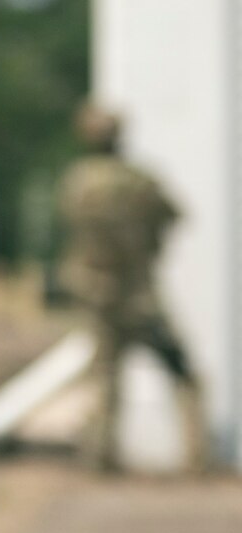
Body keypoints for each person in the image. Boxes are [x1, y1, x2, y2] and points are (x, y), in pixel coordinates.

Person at [56, 102, 208, 473]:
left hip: (96, 293)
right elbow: (174, 215)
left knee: (105, 377)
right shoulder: (139, 181)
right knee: (184, 374)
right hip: (139, 294)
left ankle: (100, 457)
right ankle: (197, 457)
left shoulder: (76, 182)